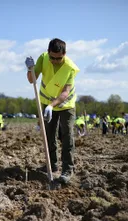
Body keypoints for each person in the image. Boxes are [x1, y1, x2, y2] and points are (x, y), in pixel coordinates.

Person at [25, 38, 80, 184]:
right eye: (52, 57)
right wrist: (30, 69)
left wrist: (52, 105)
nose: (55, 60)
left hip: (65, 105)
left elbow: (65, 92)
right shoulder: (43, 58)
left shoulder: (70, 67)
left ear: (65, 54)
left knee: (67, 134)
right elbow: (32, 80)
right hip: (45, 101)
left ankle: (68, 170)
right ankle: (52, 164)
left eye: (59, 58)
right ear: (48, 52)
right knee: (49, 133)